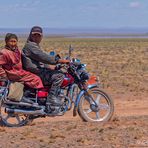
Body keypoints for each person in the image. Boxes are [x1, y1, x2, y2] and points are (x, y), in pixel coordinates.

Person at [22, 26, 69, 115]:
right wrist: (58, 60)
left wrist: (51, 67)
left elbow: (39, 59)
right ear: (30, 35)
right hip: (36, 73)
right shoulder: (30, 46)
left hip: (37, 71)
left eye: (38, 35)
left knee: (57, 72)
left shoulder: (34, 45)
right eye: (34, 35)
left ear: (41, 36)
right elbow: (43, 57)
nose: (36, 37)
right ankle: (51, 99)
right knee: (59, 76)